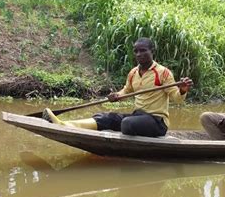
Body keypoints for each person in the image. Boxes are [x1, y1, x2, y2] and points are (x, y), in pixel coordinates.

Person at [43, 37, 193, 137]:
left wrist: (183, 89)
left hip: (157, 122)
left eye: (143, 50)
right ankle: (65, 125)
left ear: (152, 52)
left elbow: (177, 99)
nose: (139, 54)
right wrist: (117, 95)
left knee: (127, 123)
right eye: (136, 51)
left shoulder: (163, 73)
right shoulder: (133, 72)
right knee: (105, 117)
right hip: (138, 116)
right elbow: (126, 91)